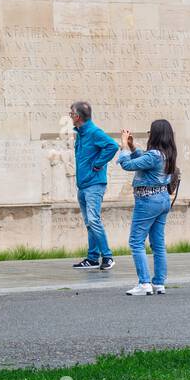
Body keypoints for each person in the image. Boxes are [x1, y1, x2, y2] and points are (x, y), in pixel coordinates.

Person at [117, 120, 178, 296]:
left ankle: (144, 283)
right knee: (158, 244)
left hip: (147, 201)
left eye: (150, 131)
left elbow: (127, 165)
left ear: (155, 134)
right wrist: (133, 147)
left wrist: (124, 147)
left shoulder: (154, 155)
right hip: (163, 200)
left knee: (136, 242)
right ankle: (158, 283)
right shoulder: (167, 154)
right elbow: (144, 161)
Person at [69, 100, 119, 270]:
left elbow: (112, 146)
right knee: (89, 222)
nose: (70, 117)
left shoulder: (94, 132)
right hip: (83, 185)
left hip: (94, 185)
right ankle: (92, 258)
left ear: (77, 116)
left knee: (93, 220)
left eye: (71, 114)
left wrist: (98, 164)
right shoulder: (81, 133)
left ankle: (108, 256)